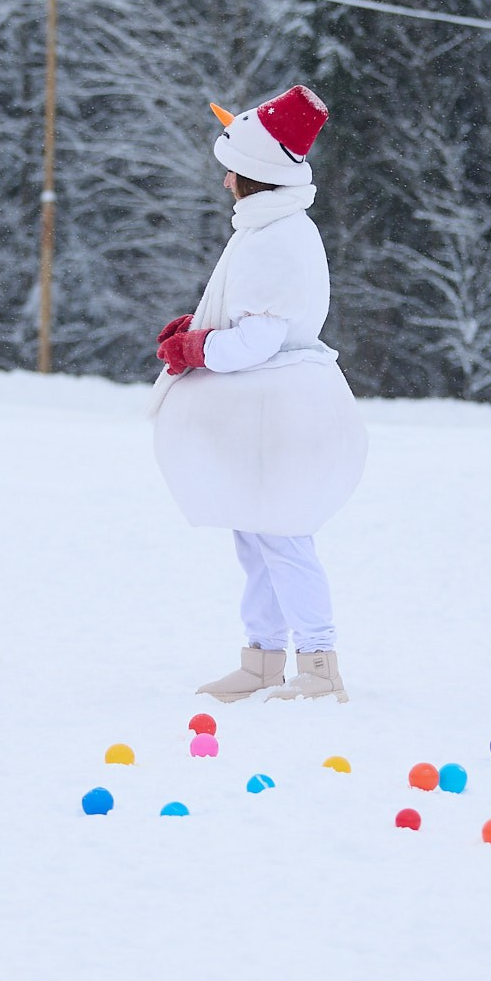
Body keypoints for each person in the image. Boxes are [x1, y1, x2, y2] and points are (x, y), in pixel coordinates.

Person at [152, 86, 367, 701]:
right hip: (267, 412)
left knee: (285, 538)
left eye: (231, 170)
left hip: (282, 415)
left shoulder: (277, 238)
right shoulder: (269, 228)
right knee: (256, 536)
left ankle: (319, 667)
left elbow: (259, 340)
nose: (225, 181)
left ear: (253, 173)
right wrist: (199, 331)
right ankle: (263, 661)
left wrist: (197, 348)